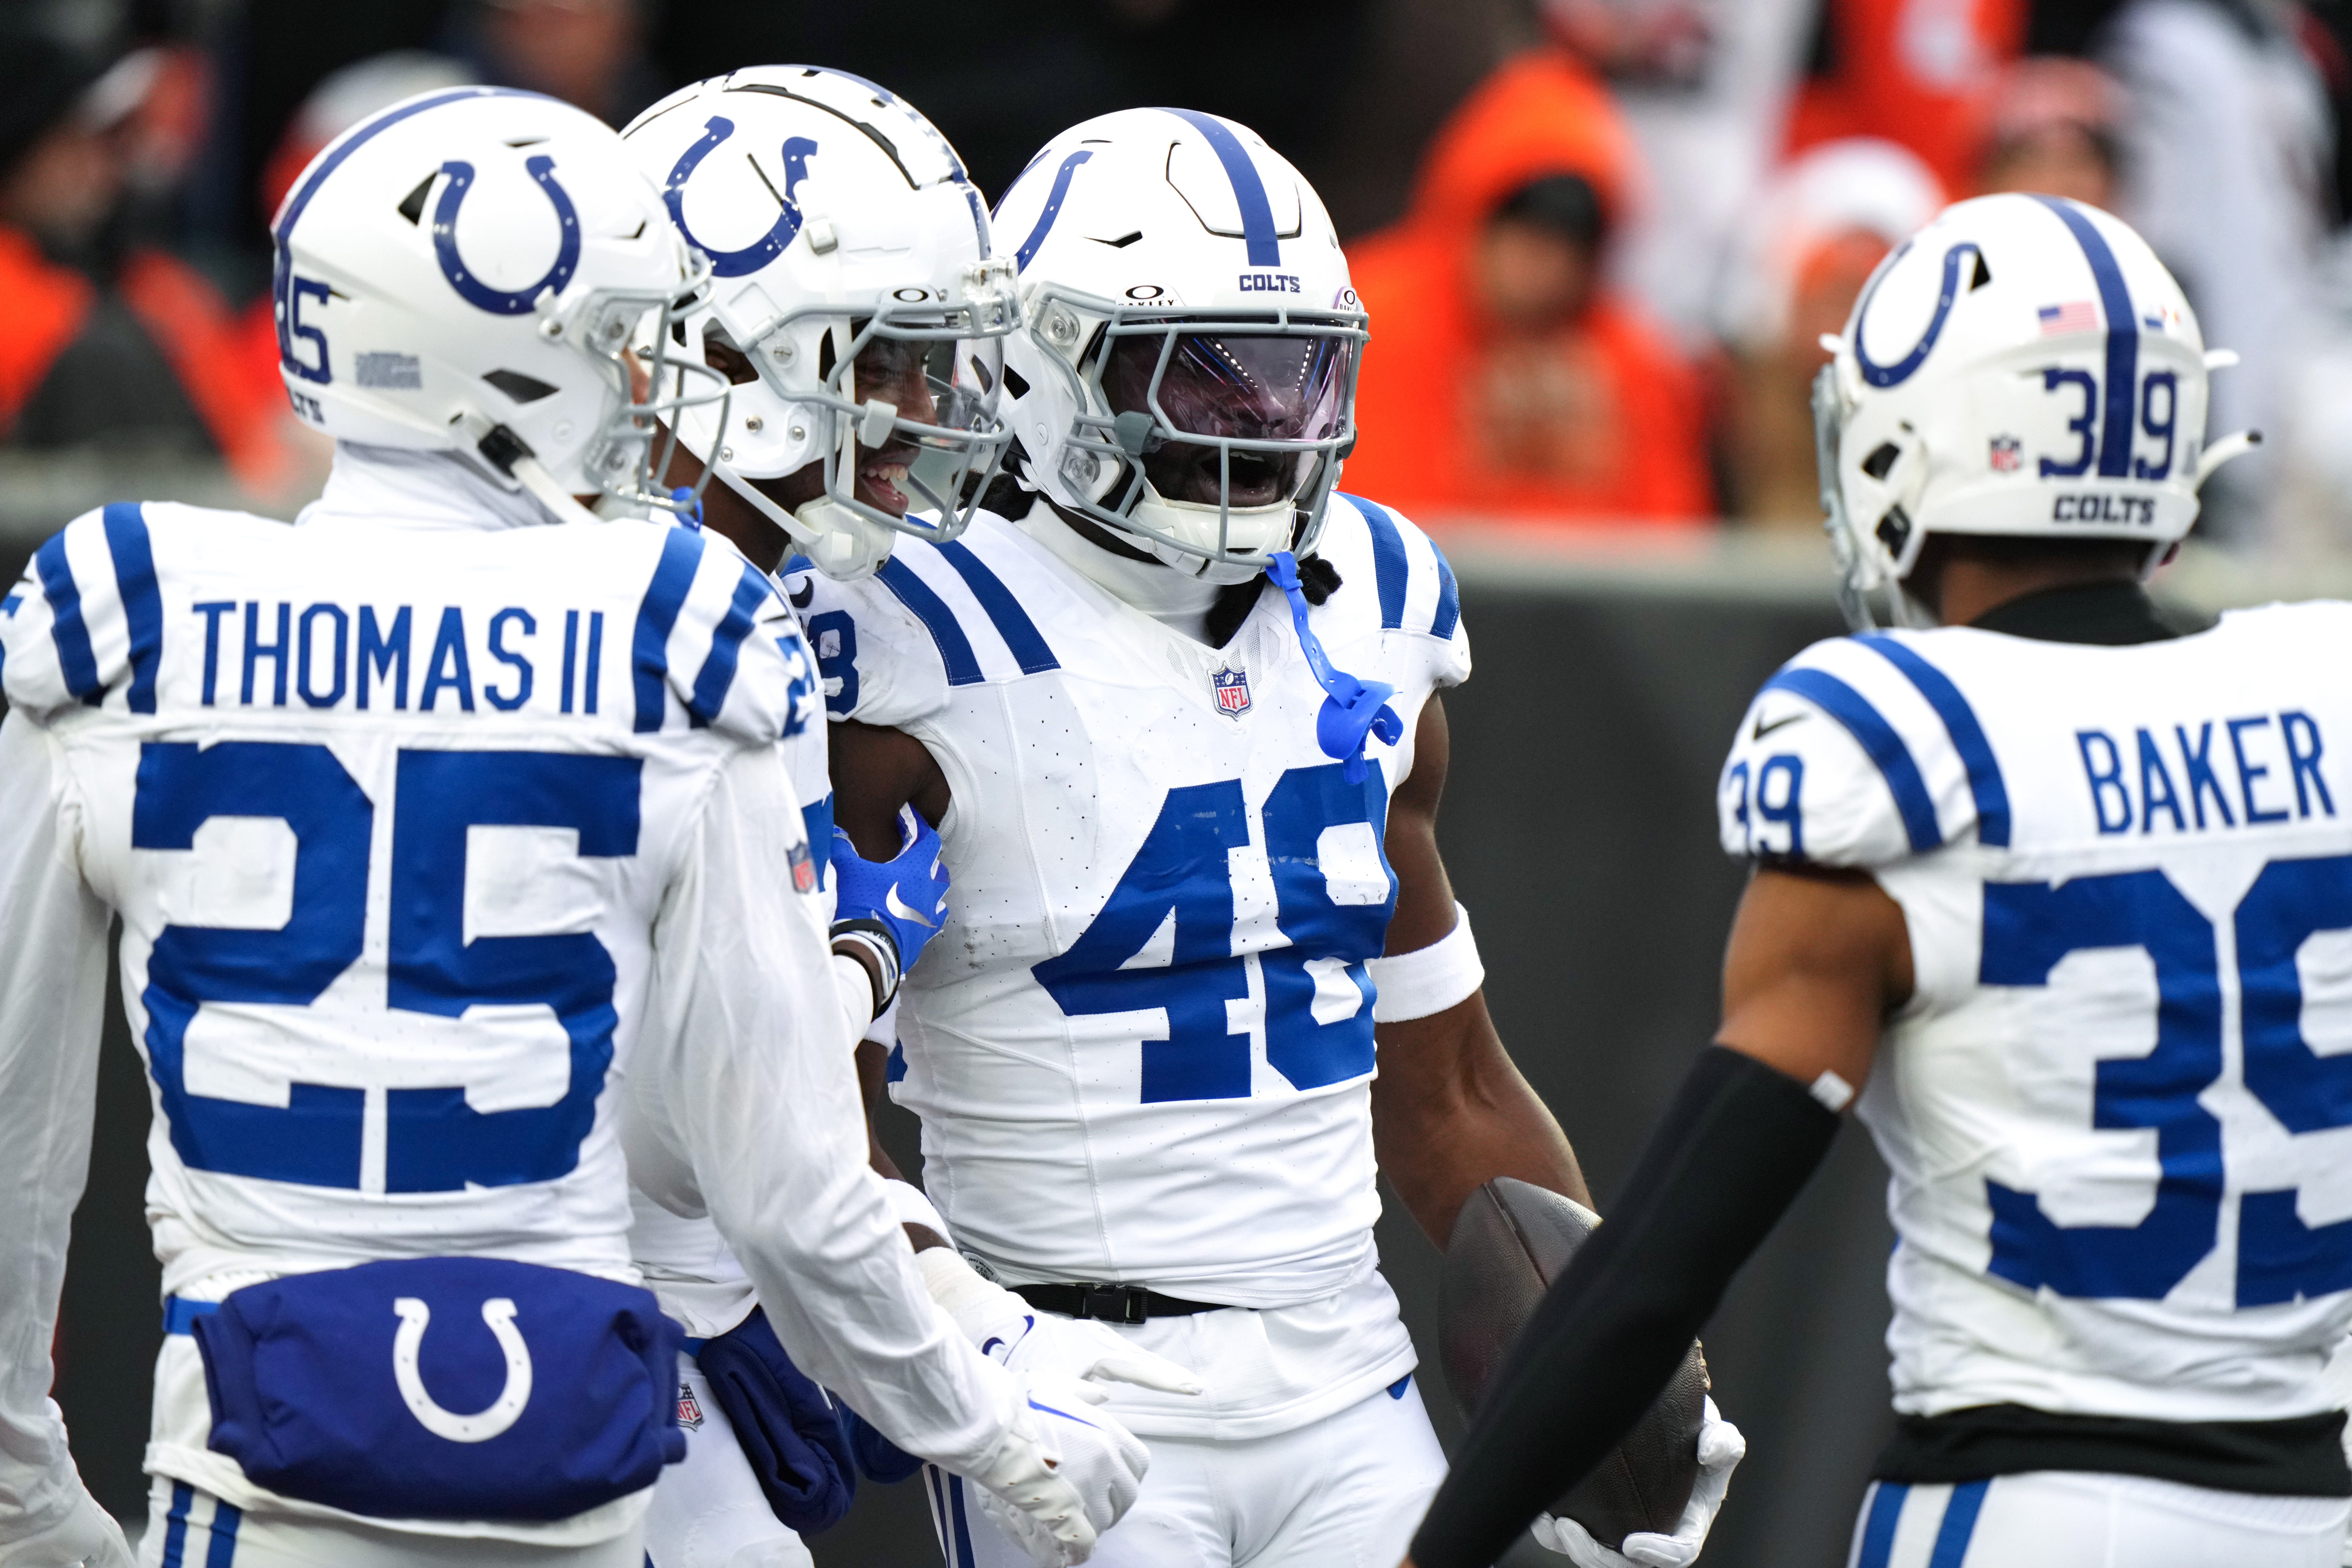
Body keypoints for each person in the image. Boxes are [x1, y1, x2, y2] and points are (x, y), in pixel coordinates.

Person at [0, 86, 1153, 1568]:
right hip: (564, 1452)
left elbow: (19, 1133)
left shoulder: (127, 604)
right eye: (624, 334)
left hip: (250, 1462)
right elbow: (788, 1187)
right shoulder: (670, 630)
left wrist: (24, 1479)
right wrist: (985, 1424)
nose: (656, 377)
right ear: (509, 364)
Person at [796, 106, 1743, 1568]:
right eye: (1205, 376)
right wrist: (957, 1349)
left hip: (1340, 1358)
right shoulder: (905, 635)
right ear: (1048, 360)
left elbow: (1446, 1079)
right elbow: (807, 1111)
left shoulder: (1374, 603)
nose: (1261, 427)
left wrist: (1604, 1345)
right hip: (1068, 1367)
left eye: (1298, 375)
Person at [1401, 192, 2352, 1568]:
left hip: (2032, 1505)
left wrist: (1445, 1546)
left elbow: (1667, 1257)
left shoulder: (1907, 736)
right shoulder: (2317, 690)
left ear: (1920, 445)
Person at [610, 67, 1194, 1568]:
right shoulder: (683, 638)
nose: (934, 411)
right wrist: (976, 1372)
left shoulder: (745, 601)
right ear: (728, 361)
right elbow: (720, 1128)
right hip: (561, 1305)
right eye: (891, 362)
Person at [1343, 50, 1712, 526]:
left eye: (1570, 241)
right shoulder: (1366, 315)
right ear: (1472, 212)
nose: (1545, 266)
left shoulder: (1633, 361)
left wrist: (1576, 478)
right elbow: (1357, 522)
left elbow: (1674, 547)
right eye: (1524, 229)